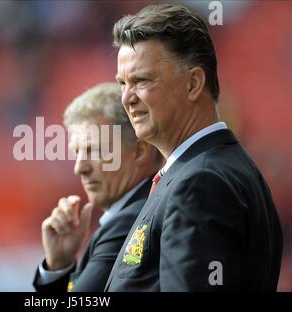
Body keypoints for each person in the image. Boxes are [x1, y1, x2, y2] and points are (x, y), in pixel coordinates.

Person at [105, 3, 283, 292]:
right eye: (122, 83)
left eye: (141, 80)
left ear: (193, 84)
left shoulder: (200, 183)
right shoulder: (215, 170)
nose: (126, 97)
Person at [33, 82, 162, 292]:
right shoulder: (146, 208)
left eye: (94, 150)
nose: (79, 168)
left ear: (139, 151)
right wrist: (59, 265)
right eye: (77, 153)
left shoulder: (130, 222)